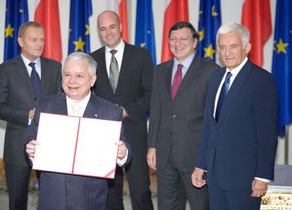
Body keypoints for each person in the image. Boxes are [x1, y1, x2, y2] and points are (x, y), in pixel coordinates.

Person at [25, 52, 131, 210]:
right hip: (52, 197)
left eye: (79, 76)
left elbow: (126, 151)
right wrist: (31, 151)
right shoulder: (45, 106)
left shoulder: (110, 111)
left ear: (92, 79)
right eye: (67, 74)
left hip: (89, 199)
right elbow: (30, 142)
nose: (72, 81)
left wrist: (123, 153)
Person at [191, 23, 278, 210]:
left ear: (247, 47)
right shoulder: (216, 78)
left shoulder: (262, 80)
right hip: (215, 176)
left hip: (245, 179)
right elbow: (209, 125)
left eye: (233, 46)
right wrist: (201, 165)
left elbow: (267, 134)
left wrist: (262, 176)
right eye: (222, 47)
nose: (227, 53)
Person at [147, 21, 219, 210]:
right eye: (173, 39)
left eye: (183, 39)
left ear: (195, 42)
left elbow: (214, 119)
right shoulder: (159, 70)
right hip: (165, 155)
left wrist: (206, 158)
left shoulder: (211, 71)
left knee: (200, 205)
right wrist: (152, 145)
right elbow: (156, 111)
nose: (177, 43)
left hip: (196, 157)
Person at [0, 21, 62, 210]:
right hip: (17, 145)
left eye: (42, 40)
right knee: (17, 201)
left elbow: (62, 102)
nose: (40, 44)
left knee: (53, 199)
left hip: (51, 144)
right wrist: (27, 114)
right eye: (34, 40)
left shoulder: (55, 68)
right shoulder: (5, 70)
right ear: (21, 41)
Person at [90, 10, 154, 210]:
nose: (108, 32)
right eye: (103, 29)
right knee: (110, 193)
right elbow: (86, 97)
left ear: (121, 27)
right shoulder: (91, 59)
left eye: (112, 27)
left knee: (140, 190)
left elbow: (151, 94)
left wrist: (127, 110)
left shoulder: (141, 55)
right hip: (103, 134)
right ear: (98, 32)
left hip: (134, 132)